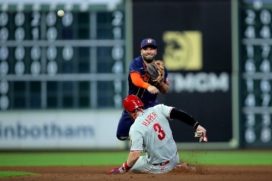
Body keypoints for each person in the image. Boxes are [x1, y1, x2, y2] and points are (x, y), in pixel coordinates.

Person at [110, 95, 208, 174]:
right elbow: (178, 113)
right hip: (175, 157)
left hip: (159, 168)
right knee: (141, 159)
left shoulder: (135, 128)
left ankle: (175, 168)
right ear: (141, 104)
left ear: (129, 112)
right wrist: (197, 126)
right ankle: (177, 165)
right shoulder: (158, 109)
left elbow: (135, 155)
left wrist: (123, 168)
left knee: (131, 166)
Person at [116, 38, 169, 140]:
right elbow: (135, 80)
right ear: (141, 51)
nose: (149, 51)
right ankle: (140, 140)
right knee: (121, 135)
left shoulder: (160, 68)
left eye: (152, 48)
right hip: (133, 106)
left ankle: (149, 148)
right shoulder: (136, 63)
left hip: (151, 106)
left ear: (156, 51)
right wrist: (148, 86)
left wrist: (160, 82)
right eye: (146, 48)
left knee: (153, 135)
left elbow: (165, 90)